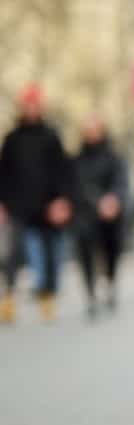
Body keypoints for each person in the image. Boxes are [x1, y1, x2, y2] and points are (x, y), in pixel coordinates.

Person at [0, 84, 73, 323]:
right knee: (13, 252)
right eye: (27, 104)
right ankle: (8, 297)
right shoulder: (12, 139)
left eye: (35, 104)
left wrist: (61, 200)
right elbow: (4, 173)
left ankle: (47, 296)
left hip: (48, 205)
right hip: (18, 205)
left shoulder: (51, 136)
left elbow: (63, 171)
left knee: (50, 251)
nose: (31, 108)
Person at [73, 114, 127, 317]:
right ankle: (90, 294)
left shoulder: (114, 157)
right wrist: (98, 203)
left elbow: (121, 182)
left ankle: (110, 282)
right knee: (85, 251)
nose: (91, 134)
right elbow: (77, 186)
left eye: (95, 130)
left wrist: (113, 200)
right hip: (86, 213)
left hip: (111, 214)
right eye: (88, 130)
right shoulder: (77, 159)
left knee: (112, 250)